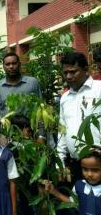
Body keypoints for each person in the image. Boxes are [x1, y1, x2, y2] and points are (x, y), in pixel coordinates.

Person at [57, 51, 101, 183]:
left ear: (86, 70)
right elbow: (62, 130)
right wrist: (60, 162)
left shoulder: (99, 89)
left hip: (98, 164)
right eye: (65, 73)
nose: (69, 76)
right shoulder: (65, 98)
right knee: (78, 201)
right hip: (75, 165)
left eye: (73, 71)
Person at [45, 146, 101, 214]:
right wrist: (54, 192)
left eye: (95, 170)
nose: (89, 174)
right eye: (85, 169)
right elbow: (73, 203)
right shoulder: (79, 185)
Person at [0, 52, 42, 117]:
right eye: (7, 64)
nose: (11, 66)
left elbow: (40, 107)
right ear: (3, 67)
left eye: (14, 63)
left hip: (29, 126)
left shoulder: (32, 82)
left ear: (19, 64)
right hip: (7, 127)